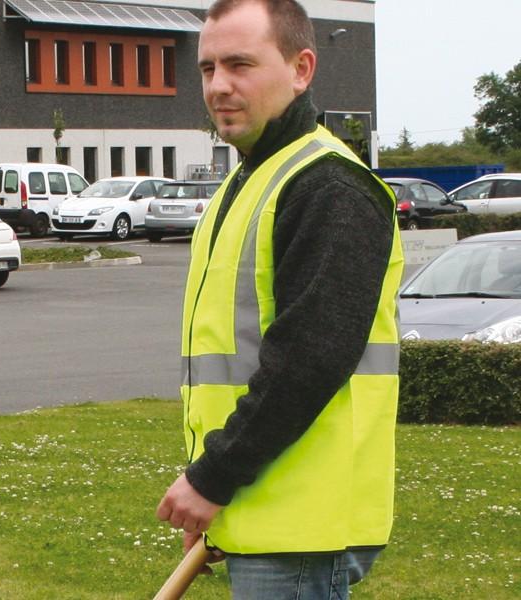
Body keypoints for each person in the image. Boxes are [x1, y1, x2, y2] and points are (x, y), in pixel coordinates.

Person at [156, 0, 404, 597]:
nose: (219, 85)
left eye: (240, 64)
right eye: (208, 68)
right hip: (262, 502)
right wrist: (220, 488)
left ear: (301, 69)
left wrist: (214, 477)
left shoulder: (327, 185)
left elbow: (309, 358)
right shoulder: (248, 181)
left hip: (302, 518)